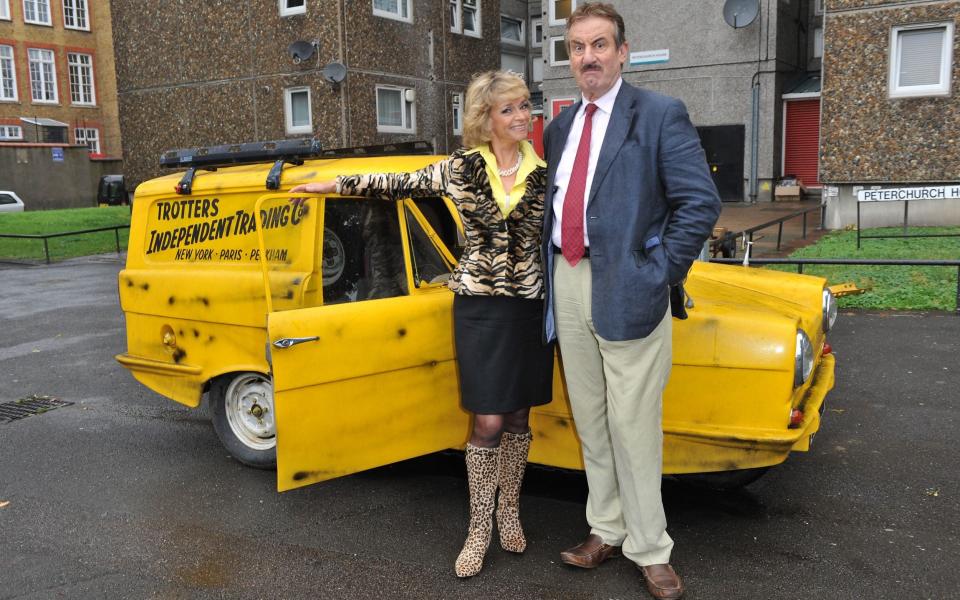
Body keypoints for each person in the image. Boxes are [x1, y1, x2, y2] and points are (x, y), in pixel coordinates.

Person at [289, 70, 553, 579]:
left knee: (520, 417)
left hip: (528, 307)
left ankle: (509, 511)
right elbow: (392, 183)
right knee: (487, 421)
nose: (523, 116)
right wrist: (329, 183)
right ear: (485, 118)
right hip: (479, 307)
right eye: (510, 109)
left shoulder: (545, 172)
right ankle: (478, 530)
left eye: (525, 106)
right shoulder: (459, 169)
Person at [541, 4, 721, 599]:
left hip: (631, 288)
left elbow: (699, 203)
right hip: (568, 279)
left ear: (623, 51)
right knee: (591, 419)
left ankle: (651, 547)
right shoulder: (560, 126)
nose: (587, 56)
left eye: (599, 45)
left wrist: (659, 272)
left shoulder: (660, 113)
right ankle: (606, 528)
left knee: (634, 424)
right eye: (576, 47)